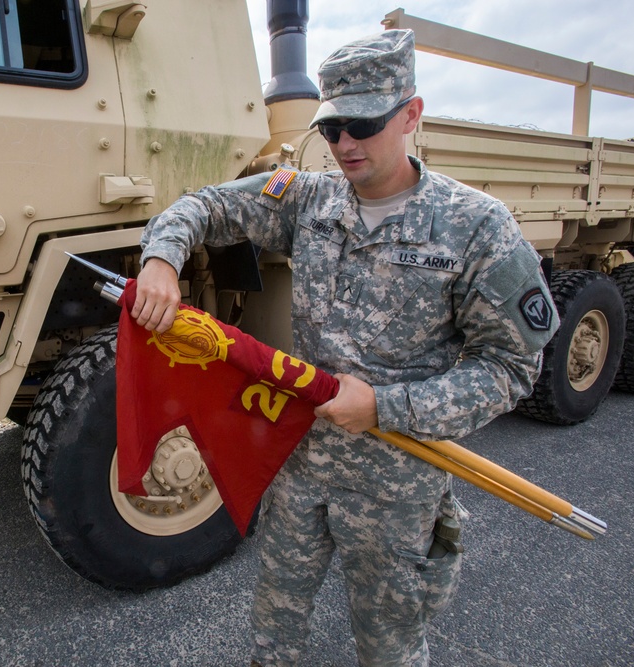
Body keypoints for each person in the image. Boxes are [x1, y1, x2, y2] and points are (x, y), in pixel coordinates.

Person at [132, 29, 558, 667]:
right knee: (274, 634)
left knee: (388, 647)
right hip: (299, 463)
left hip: (395, 485)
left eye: (363, 123)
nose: (345, 145)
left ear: (411, 114)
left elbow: (510, 370)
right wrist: (163, 258)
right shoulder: (310, 201)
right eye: (332, 129)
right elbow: (206, 205)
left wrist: (386, 407)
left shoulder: (476, 227)